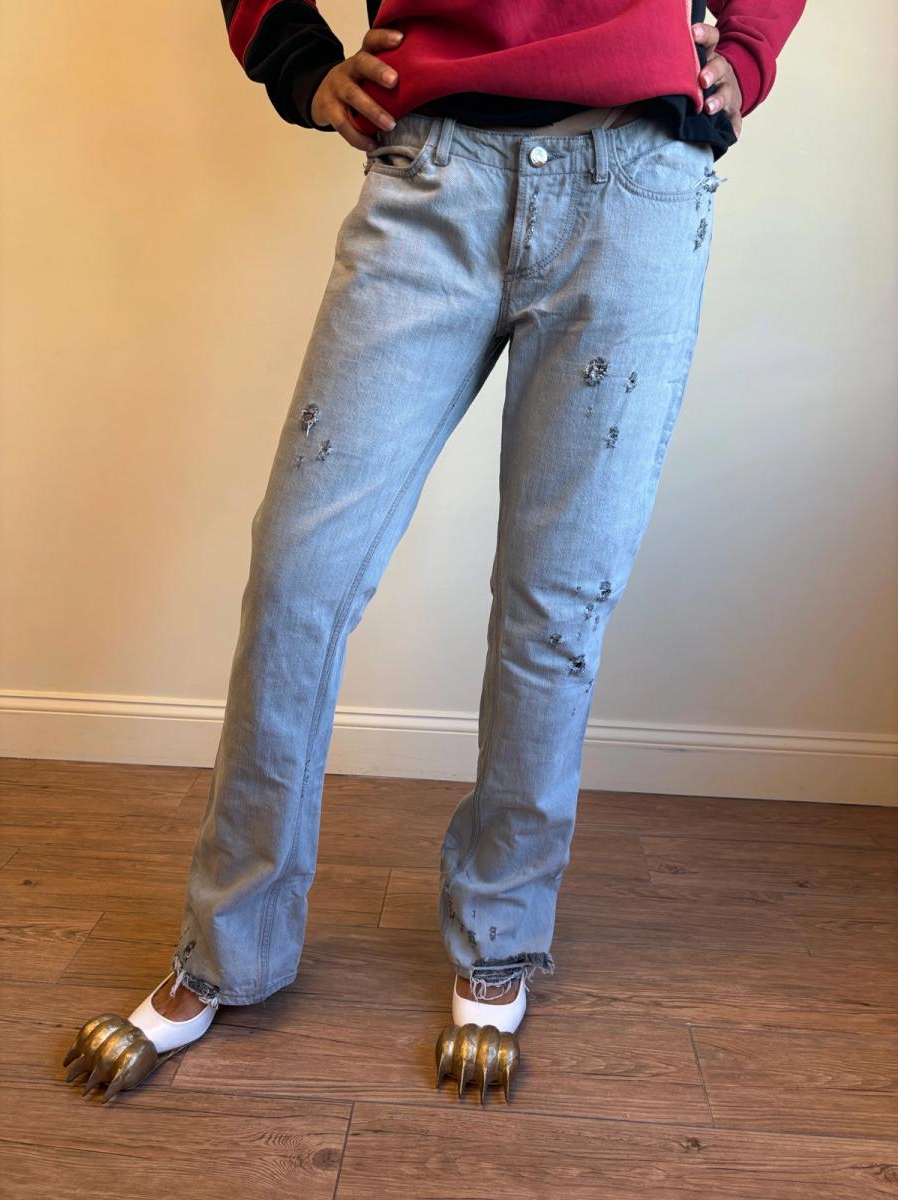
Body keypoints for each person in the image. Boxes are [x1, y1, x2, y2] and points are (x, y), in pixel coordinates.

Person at [64, 0, 807, 1103]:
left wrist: (748, 47)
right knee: (298, 577)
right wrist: (297, 60)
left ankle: (500, 932)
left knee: (555, 603)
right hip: (432, 172)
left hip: (640, 179)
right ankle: (227, 946)